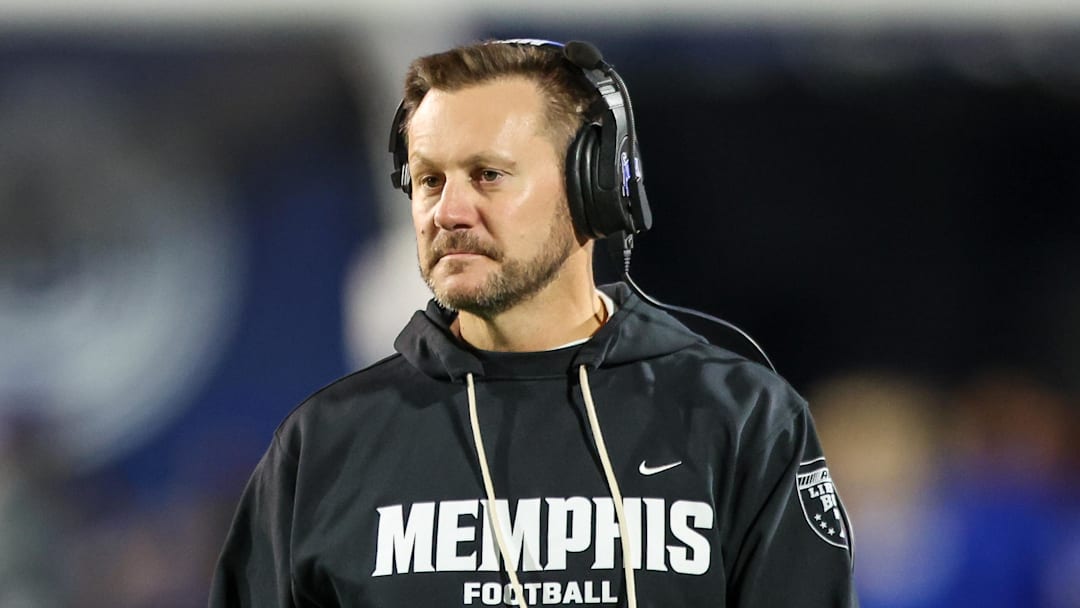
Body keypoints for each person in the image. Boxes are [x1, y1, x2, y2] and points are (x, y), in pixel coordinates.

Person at [209, 38, 858, 607]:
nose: (449, 211)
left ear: (592, 186)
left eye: (488, 175)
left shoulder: (740, 419)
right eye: (430, 180)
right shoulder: (323, 446)